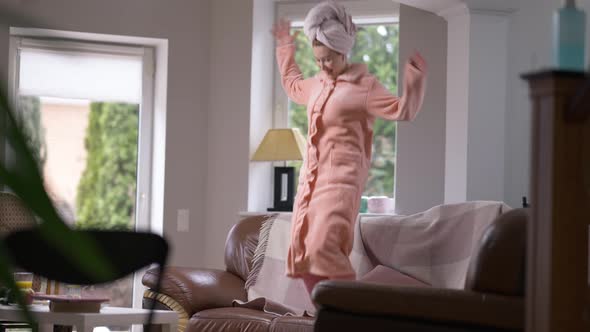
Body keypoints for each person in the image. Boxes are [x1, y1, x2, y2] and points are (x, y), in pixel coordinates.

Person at [271, 0, 427, 296]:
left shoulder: (364, 87)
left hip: (342, 181)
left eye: (329, 59)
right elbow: (292, 85)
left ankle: (351, 310)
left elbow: (402, 110)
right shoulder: (316, 85)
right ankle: (330, 312)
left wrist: (414, 77)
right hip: (311, 183)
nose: (323, 65)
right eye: (318, 60)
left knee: (325, 247)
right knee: (302, 252)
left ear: (343, 52)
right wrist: (284, 48)